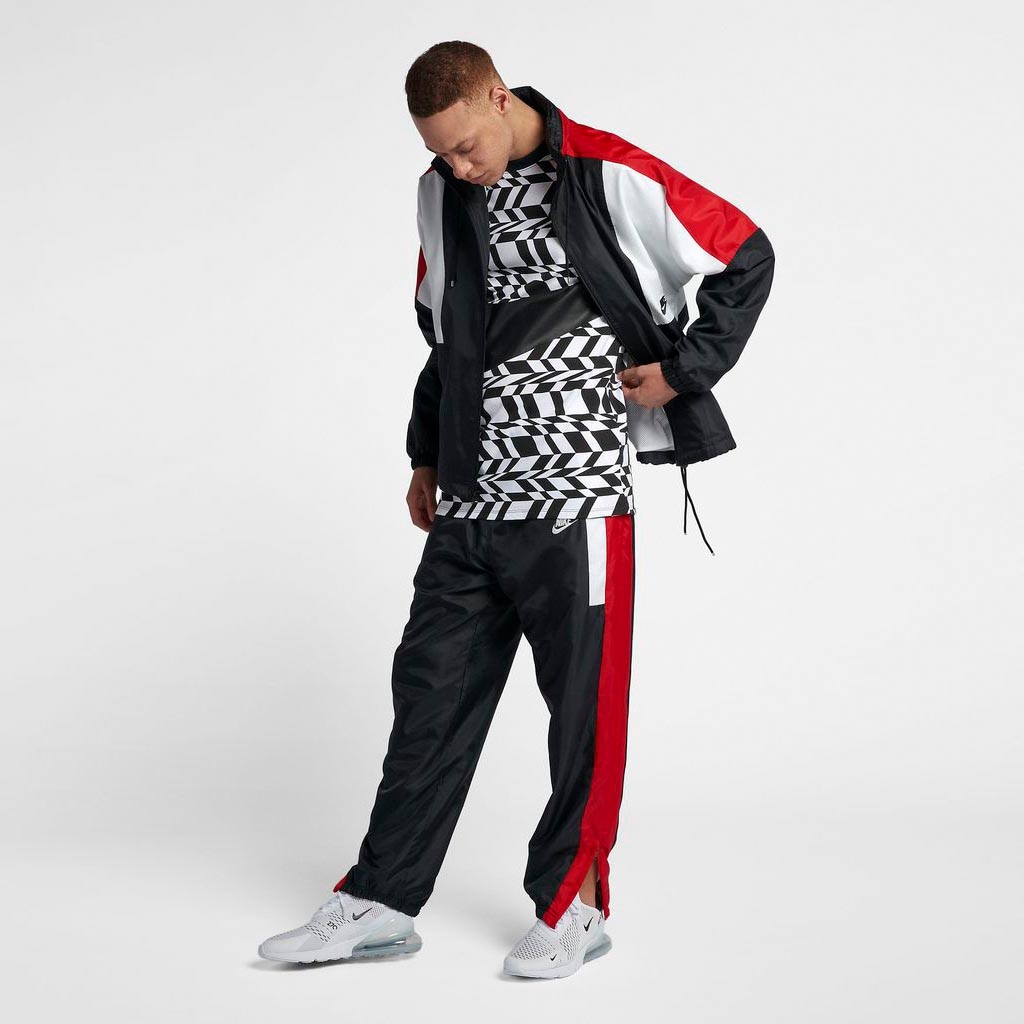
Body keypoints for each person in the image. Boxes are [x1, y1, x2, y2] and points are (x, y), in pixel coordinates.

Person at [258, 41, 774, 980]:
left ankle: (575, 906)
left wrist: (687, 369)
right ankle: (382, 900)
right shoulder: (438, 193)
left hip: (577, 496)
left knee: (581, 711)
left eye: (466, 145)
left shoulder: (608, 171)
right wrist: (424, 453)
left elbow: (745, 252)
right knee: (429, 692)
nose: (457, 166)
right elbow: (444, 337)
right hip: (471, 496)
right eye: (439, 152)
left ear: (499, 98)